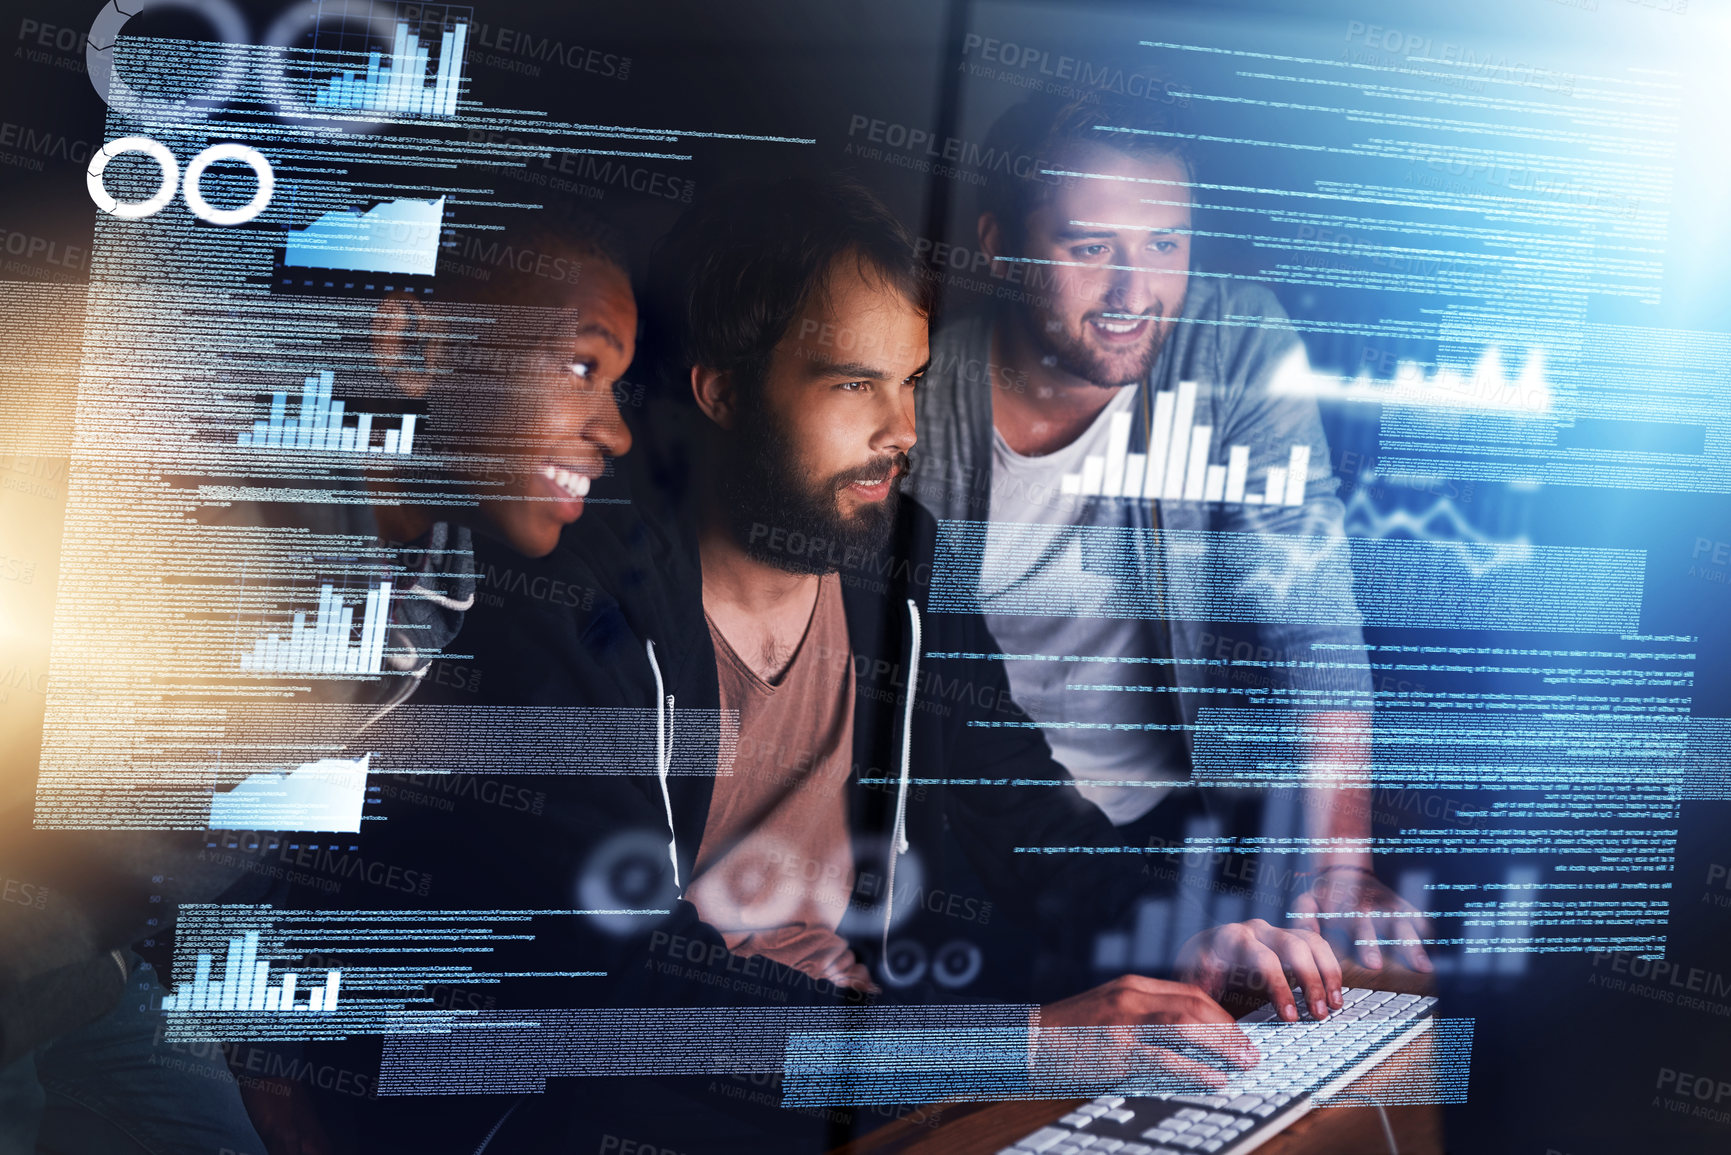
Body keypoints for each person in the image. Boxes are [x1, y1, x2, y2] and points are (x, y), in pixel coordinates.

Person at [428, 174, 1343, 1152]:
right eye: (853, 385)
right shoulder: (571, 606)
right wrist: (1024, 1047)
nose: (900, 432)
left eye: (907, 385)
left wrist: (1185, 937)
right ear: (725, 390)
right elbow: (621, 994)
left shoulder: (905, 562)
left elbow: (1028, 819)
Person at [906, 87, 1430, 973]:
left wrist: (1342, 870)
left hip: (1167, 818)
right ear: (1000, 246)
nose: (1132, 291)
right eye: (1088, 246)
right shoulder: (913, 387)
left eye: (1162, 244)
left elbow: (1312, 618)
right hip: (981, 825)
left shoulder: (1231, 344)